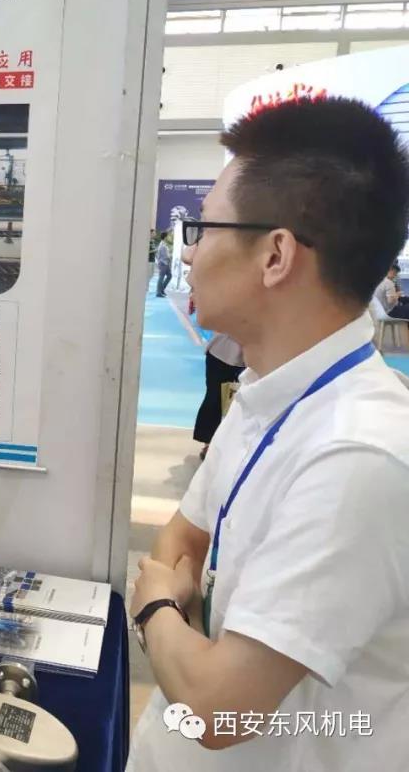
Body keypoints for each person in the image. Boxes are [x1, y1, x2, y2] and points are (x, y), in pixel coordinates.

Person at [128, 97, 409, 771]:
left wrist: (155, 606)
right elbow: (180, 539)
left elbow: (219, 705)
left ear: (276, 254)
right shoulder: (267, 392)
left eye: (204, 228)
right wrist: (184, 621)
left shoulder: (357, 454)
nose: (190, 253)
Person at [193, 332, 244, 460]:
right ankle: (209, 443)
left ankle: (236, 445)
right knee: (214, 398)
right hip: (220, 354)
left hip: (251, 358)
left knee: (242, 404)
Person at [155, 232, 172, 297]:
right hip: (163, 262)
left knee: (169, 276)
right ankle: (158, 292)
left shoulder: (164, 244)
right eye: (168, 236)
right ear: (165, 237)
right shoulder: (162, 245)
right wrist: (169, 257)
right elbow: (165, 255)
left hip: (165, 263)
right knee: (161, 277)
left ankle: (161, 289)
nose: (169, 237)